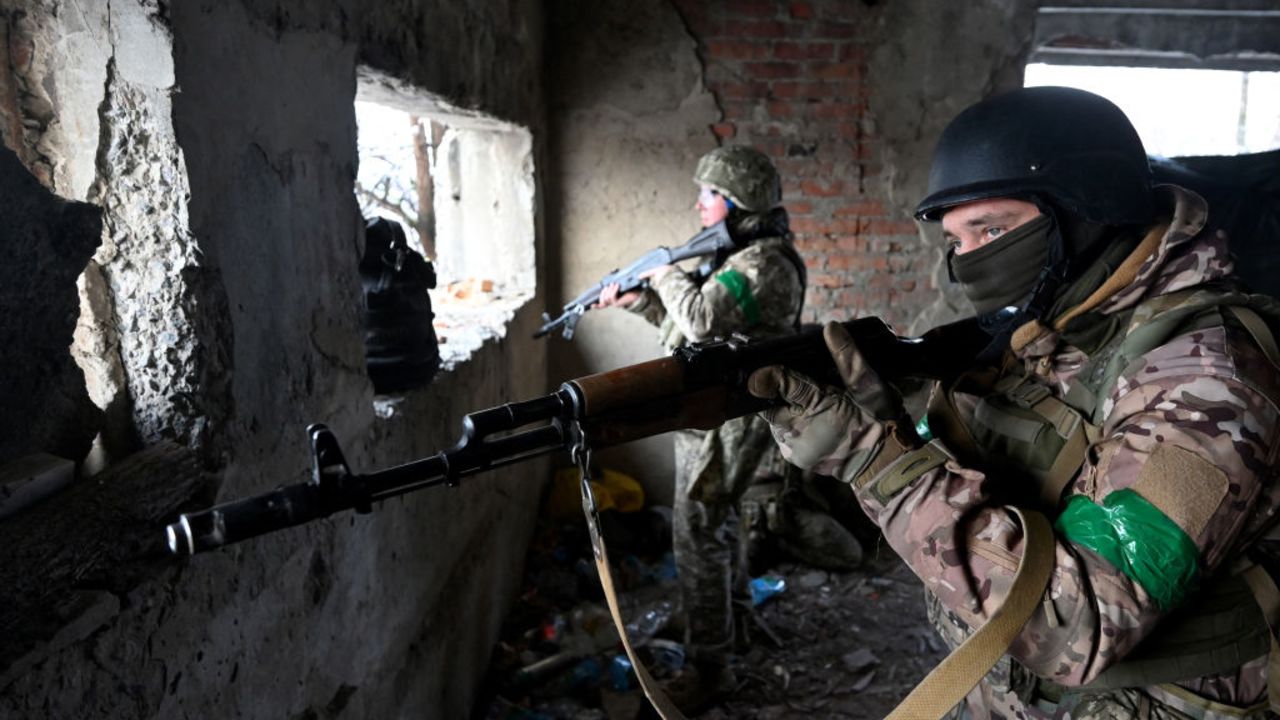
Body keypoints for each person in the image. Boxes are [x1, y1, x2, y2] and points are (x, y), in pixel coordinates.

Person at [748, 86, 1280, 719]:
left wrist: (875, 466)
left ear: (1086, 212)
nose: (971, 262)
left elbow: (1077, 623)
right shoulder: (1057, 328)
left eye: (992, 230)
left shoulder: (1207, 382)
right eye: (956, 242)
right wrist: (892, 426)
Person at [597, 144, 863, 712]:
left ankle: (709, 669)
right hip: (712, 415)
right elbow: (686, 327)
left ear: (737, 200)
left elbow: (697, 320)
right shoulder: (740, 256)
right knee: (718, 528)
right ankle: (736, 625)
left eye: (709, 195)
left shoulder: (761, 262)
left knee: (696, 535)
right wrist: (637, 299)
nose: (699, 204)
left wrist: (663, 271)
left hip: (724, 421)